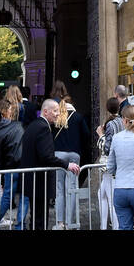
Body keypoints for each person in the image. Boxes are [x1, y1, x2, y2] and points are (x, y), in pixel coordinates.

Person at [19, 98, 81, 230]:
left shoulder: (34, 125)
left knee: (36, 216)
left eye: (58, 111)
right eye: (55, 111)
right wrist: (67, 165)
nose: (58, 114)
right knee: (40, 217)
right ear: (45, 111)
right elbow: (47, 156)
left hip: (32, 180)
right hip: (39, 181)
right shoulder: (43, 128)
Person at [49, 82, 86, 230]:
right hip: (74, 154)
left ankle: (60, 222)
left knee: (59, 190)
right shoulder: (77, 116)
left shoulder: (56, 118)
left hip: (58, 155)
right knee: (71, 188)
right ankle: (71, 222)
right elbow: (87, 134)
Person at [0, 100, 24, 230]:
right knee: (22, 197)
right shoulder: (17, 126)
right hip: (20, 165)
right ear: (3, 115)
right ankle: (18, 224)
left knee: (5, 196)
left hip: (9, 168)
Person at [96, 97, 122, 229]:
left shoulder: (111, 124)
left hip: (110, 166)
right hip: (115, 165)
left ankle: (114, 227)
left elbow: (108, 148)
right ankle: (103, 226)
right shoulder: (121, 121)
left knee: (110, 198)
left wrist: (100, 135)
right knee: (102, 194)